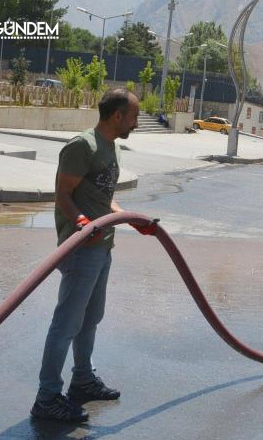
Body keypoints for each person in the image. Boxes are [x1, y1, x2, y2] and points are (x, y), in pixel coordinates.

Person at [31, 89, 158, 423]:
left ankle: (82, 380)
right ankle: (46, 397)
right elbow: (63, 195)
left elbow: (103, 199)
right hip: (81, 248)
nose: (136, 122)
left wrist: (129, 217)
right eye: (133, 116)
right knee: (67, 323)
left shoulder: (109, 146)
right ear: (117, 116)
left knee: (90, 319)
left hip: (103, 247)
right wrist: (81, 222)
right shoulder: (82, 146)